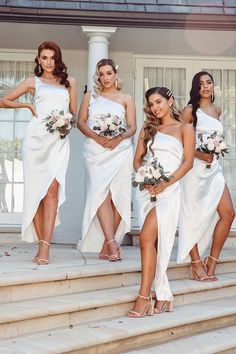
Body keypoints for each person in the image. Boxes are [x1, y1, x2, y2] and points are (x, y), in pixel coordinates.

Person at [0, 41, 77, 264]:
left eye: (53, 58)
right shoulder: (32, 82)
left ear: (58, 59)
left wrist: (66, 123)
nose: (49, 62)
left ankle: (45, 247)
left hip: (58, 140)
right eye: (45, 58)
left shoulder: (69, 82)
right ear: (39, 59)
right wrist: (28, 107)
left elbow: (73, 114)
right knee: (36, 192)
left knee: (52, 189)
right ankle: (41, 245)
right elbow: (3, 100)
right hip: (35, 140)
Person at [127, 86, 195, 318]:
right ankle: (163, 295)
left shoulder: (185, 128)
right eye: (151, 104)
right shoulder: (148, 129)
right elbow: (137, 160)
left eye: (158, 102)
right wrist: (144, 177)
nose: (155, 108)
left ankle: (143, 297)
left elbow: (188, 163)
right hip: (147, 191)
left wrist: (166, 183)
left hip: (171, 189)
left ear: (170, 101)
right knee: (150, 242)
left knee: (147, 237)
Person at [178, 71, 235, 281]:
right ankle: (195, 263)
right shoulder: (189, 111)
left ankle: (212, 259)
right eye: (200, 83)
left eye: (208, 82)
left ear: (213, 86)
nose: (205, 86)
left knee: (228, 213)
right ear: (196, 87)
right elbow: (179, 144)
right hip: (194, 170)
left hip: (214, 170)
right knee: (191, 214)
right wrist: (200, 154)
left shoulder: (217, 110)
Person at [77, 58, 136, 261]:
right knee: (101, 194)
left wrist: (118, 138)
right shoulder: (90, 96)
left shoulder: (126, 98)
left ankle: (107, 245)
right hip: (95, 151)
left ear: (115, 74)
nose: (105, 78)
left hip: (120, 151)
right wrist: (98, 137)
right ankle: (112, 244)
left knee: (119, 195)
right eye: (101, 74)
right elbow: (80, 122)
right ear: (98, 76)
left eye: (108, 73)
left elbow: (132, 127)